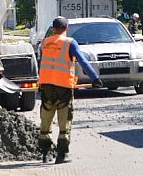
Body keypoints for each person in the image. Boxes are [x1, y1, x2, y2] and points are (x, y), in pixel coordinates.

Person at [38, 16, 103, 164]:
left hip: (47, 86)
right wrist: (94, 78)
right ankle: (62, 155)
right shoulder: (69, 43)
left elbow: (42, 62)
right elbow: (82, 61)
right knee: (64, 121)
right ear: (66, 29)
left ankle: (46, 154)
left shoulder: (45, 43)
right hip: (63, 87)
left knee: (46, 120)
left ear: (53, 29)